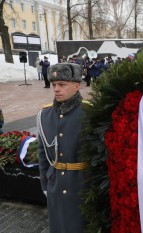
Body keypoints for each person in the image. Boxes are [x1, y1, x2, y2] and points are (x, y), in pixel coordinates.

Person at [37, 63, 89, 232]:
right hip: (55, 185)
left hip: (82, 187)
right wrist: (45, 184)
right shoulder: (45, 115)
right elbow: (43, 153)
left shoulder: (90, 113)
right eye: (54, 85)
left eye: (62, 84)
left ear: (76, 86)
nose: (56, 89)